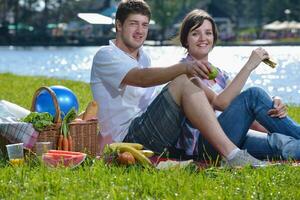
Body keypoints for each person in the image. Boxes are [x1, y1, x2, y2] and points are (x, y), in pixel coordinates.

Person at [90, 0, 270, 167]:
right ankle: (232, 156)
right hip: (128, 137)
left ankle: (271, 141)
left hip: (153, 131)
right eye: (133, 24)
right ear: (119, 25)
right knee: (184, 80)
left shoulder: (144, 56)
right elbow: (141, 78)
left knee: (268, 130)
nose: (140, 30)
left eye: (144, 25)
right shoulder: (106, 55)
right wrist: (184, 68)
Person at [175, 9, 300, 161]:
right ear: (186, 39)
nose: (203, 38)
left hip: (233, 137)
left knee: (280, 143)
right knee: (254, 94)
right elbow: (220, 103)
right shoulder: (184, 72)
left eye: (208, 33)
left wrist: (271, 107)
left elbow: (243, 111)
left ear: (214, 37)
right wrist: (249, 65)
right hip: (207, 144)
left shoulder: (220, 74)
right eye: (195, 33)